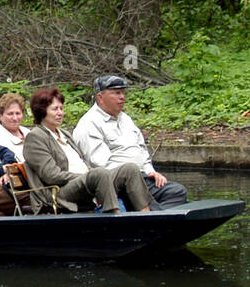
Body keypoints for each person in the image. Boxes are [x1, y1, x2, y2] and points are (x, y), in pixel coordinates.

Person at [23, 86, 151, 214]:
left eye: (61, 108)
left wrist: (89, 175)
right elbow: (52, 176)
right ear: (41, 111)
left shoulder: (64, 134)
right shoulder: (36, 137)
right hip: (60, 191)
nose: (60, 113)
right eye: (55, 109)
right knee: (99, 174)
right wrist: (86, 176)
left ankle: (146, 217)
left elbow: (83, 163)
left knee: (130, 169)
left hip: (86, 181)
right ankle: (114, 222)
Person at [73, 75, 188, 208]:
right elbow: (100, 165)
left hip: (142, 177)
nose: (122, 97)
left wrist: (150, 171)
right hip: (116, 183)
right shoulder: (89, 123)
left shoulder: (125, 119)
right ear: (100, 97)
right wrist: (131, 174)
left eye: (123, 92)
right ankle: (150, 212)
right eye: (116, 93)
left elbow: (141, 149)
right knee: (143, 194)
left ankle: (154, 214)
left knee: (177, 192)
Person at [0, 92, 30, 162]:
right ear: (0, 115)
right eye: (10, 114)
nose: (15, 118)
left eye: (18, 113)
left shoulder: (28, 132)